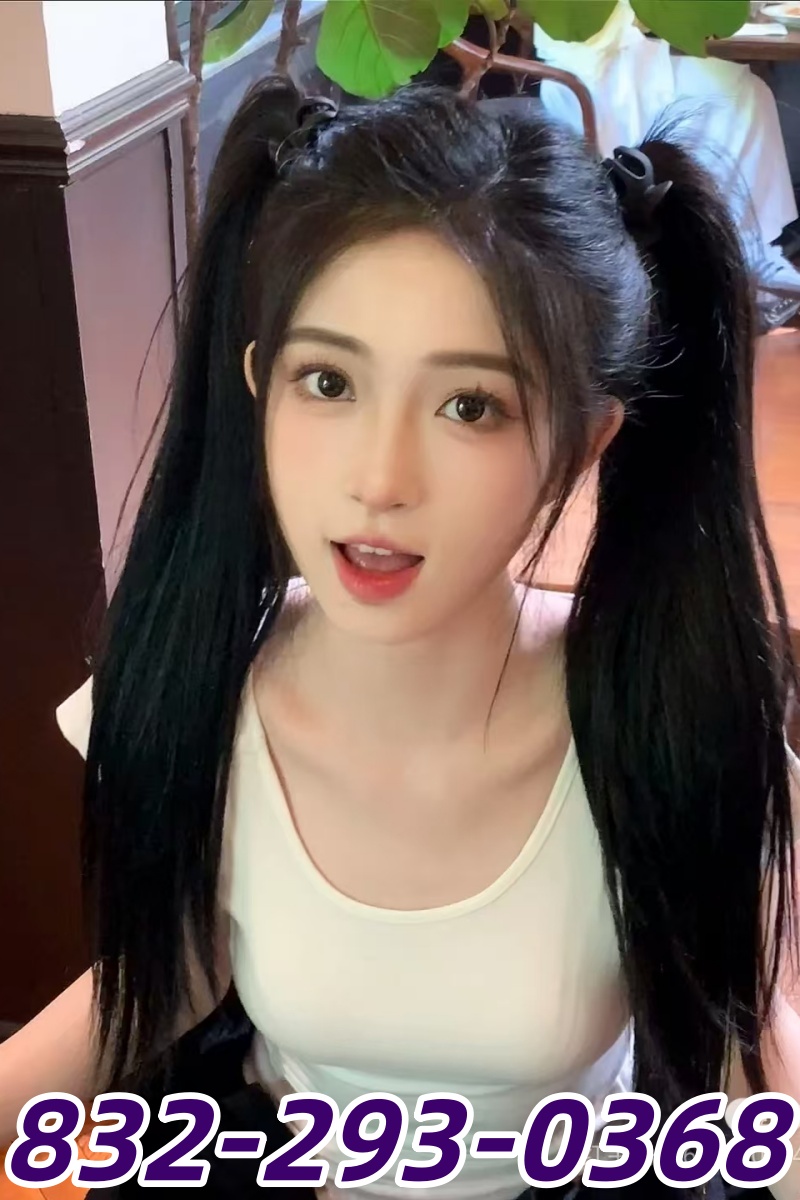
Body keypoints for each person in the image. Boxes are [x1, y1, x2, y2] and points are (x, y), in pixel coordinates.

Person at [1, 77, 799, 1200]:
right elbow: (168, 972)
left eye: (469, 406)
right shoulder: (205, 695)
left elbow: (753, 1056)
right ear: (259, 390)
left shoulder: (664, 716)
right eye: (327, 382)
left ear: (582, 446)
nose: (378, 480)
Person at [533, 0, 800, 328]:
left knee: (742, 89)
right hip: (587, 59)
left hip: (615, 47)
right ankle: (744, 250)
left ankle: (742, 247)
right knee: (740, 91)